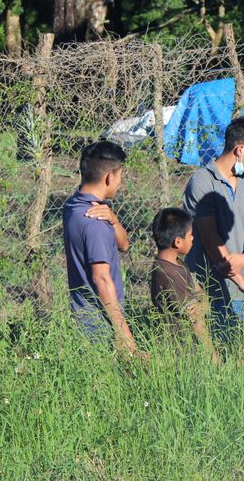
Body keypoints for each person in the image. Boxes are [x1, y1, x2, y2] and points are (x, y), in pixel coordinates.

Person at [183, 116, 244, 337]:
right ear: (240, 150)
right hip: (210, 287)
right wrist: (239, 278)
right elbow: (211, 238)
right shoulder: (203, 181)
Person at [62, 140, 138, 356]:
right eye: (120, 176)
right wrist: (124, 334)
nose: (120, 183)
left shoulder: (73, 206)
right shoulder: (95, 222)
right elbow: (101, 279)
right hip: (101, 325)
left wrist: (113, 219)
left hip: (82, 319)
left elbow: (124, 244)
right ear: (109, 177)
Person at [149, 207, 218, 363]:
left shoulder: (174, 263)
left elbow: (199, 292)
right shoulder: (172, 275)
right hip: (183, 354)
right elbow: (196, 320)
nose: (193, 238)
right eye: (190, 235)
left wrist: (203, 304)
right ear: (178, 242)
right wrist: (213, 357)